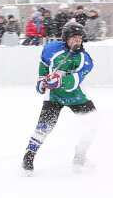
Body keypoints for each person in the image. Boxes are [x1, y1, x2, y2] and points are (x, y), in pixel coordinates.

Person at [24, 20, 98, 174]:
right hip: (54, 97)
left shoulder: (86, 59)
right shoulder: (51, 49)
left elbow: (76, 81)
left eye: (80, 39)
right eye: (73, 38)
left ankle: (80, 157)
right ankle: (28, 157)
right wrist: (41, 80)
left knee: (92, 123)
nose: (77, 42)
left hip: (76, 96)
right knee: (43, 128)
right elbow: (44, 64)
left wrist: (59, 81)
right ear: (65, 38)